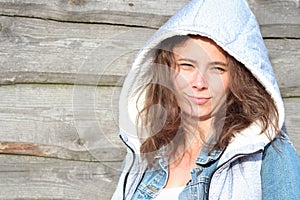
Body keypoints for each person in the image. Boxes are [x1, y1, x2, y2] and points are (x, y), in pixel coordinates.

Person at [112, 0, 300, 199]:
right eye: (187, 66)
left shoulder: (267, 153)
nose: (199, 83)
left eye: (217, 68)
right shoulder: (146, 151)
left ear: (237, 78)